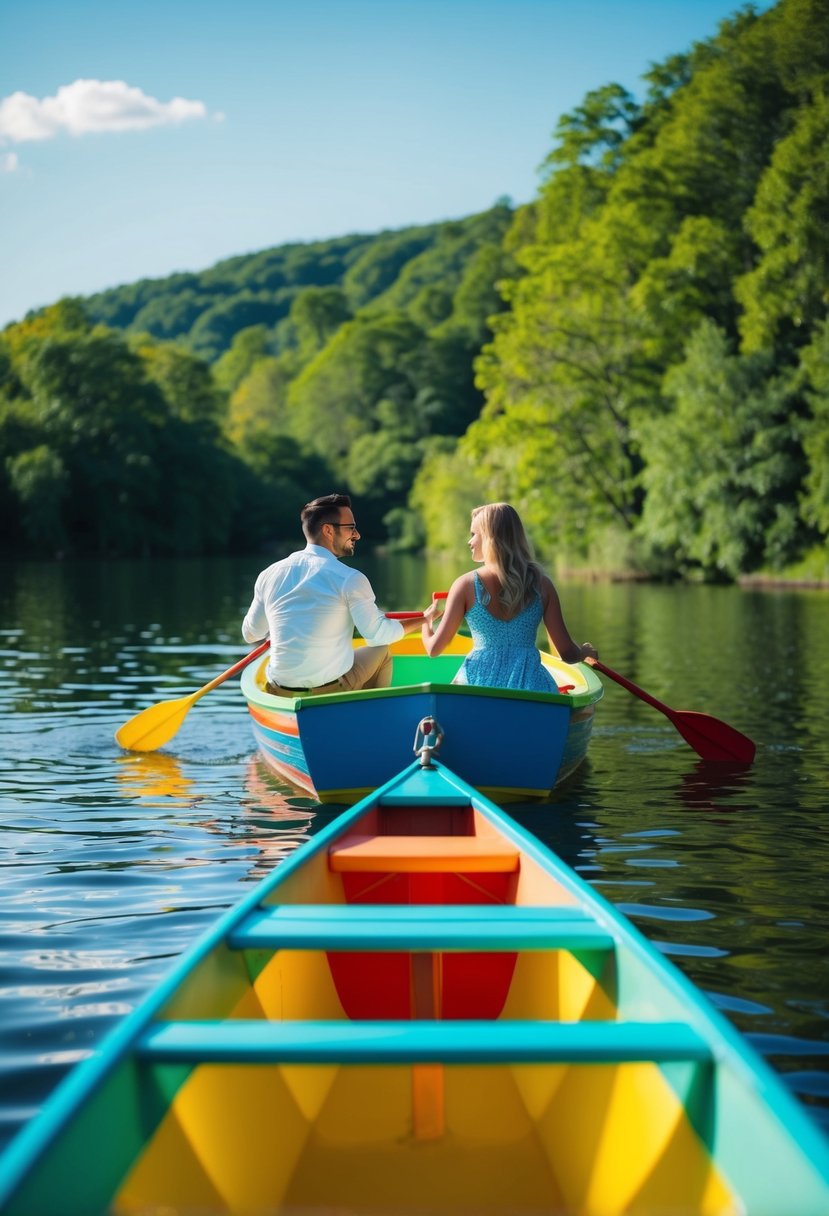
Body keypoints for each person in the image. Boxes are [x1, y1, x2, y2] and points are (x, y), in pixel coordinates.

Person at [242, 493, 438, 696]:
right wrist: (424, 619)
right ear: (327, 530)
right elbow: (377, 636)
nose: (357, 535)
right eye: (351, 528)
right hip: (327, 693)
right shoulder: (350, 579)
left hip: (278, 693)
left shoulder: (269, 574)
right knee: (382, 650)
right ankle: (374, 715)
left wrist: (283, 624)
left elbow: (250, 634)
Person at [422, 502, 597, 691]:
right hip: (530, 688)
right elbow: (568, 654)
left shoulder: (464, 586)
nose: (469, 541)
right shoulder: (542, 585)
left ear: (490, 537)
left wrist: (426, 621)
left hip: (478, 687)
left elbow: (433, 649)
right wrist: (584, 651)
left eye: (474, 534)